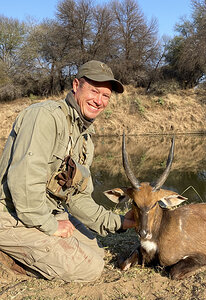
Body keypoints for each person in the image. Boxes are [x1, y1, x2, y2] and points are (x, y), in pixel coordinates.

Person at [0, 60, 136, 282]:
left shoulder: (84, 139)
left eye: (106, 96)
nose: (99, 101)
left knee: (96, 251)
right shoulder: (45, 116)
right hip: (11, 214)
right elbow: (24, 185)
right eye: (94, 91)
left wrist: (120, 222)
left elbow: (78, 199)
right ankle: (10, 258)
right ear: (76, 85)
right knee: (88, 268)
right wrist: (50, 226)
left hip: (46, 210)